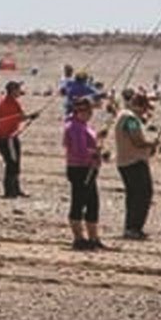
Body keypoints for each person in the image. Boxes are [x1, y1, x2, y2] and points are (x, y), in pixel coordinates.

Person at [115, 92, 160, 240]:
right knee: (142, 195)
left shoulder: (123, 114)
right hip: (133, 162)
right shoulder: (131, 119)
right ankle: (134, 228)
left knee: (133, 196)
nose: (145, 112)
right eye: (145, 108)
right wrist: (151, 144)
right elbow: (137, 141)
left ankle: (131, 227)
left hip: (126, 161)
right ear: (139, 105)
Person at [64, 96, 105, 250]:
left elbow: (87, 144)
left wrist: (98, 138)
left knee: (93, 203)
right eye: (88, 110)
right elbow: (79, 151)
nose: (90, 113)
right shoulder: (74, 127)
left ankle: (93, 238)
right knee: (79, 202)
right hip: (79, 169)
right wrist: (95, 153)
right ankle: (79, 238)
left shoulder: (83, 125)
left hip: (88, 168)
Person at [0, 80, 30, 198]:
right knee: (11, 164)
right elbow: (20, 117)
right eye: (17, 89)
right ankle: (9, 191)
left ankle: (16, 189)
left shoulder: (11, 102)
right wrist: (30, 117)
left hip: (11, 137)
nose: (19, 91)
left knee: (15, 163)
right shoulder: (8, 103)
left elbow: (20, 117)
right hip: (6, 138)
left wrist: (30, 117)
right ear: (12, 91)